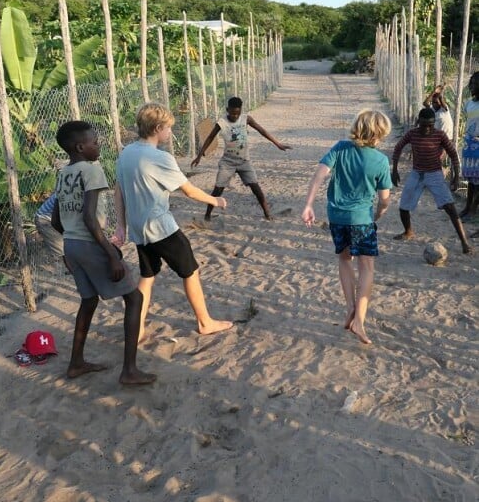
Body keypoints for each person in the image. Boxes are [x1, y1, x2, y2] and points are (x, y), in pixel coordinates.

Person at [114, 102, 234, 343]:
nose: (170, 132)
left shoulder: (126, 153)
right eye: (168, 128)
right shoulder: (160, 158)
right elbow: (189, 191)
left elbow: (119, 190)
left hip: (140, 230)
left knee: (147, 276)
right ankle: (205, 322)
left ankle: (136, 330)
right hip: (161, 228)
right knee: (190, 271)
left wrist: (122, 225)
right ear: (158, 128)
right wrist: (215, 200)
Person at [51, 120, 156, 385]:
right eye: (94, 142)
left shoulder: (64, 174)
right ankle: (129, 370)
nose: (99, 146)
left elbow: (55, 220)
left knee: (89, 301)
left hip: (72, 245)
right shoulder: (92, 170)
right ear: (80, 147)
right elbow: (89, 216)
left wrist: (72, 243)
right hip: (88, 243)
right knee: (133, 298)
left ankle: (76, 363)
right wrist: (110, 253)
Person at [302, 109, 392, 345]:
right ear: (379, 133)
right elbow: (384, 199)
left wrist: (309, 205)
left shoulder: (340, 147)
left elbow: (319, 175)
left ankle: (350, 307)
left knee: (344, 260)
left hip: (337, 217)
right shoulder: (381, 161)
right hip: (362, 219)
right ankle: (359, 320)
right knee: (367, 267)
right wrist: (379, 213)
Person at [191, 96, 292, 221]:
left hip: (244, 161)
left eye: (237, 113)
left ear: (241, 111)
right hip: (228, 162)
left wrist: (277, 144)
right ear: (227, 109)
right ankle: (207, 215)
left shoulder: (246, 119)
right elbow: (210, 137)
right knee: (218, 189)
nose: (235, 116)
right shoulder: (222, 122)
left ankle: (267, 214)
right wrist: (199, 156)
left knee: (256, 189)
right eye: (232, 113)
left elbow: (262, 130)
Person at [392, 107, 472, 254]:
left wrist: (455, 176)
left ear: (434, 123)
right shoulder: (412, 134)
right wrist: (394, 170)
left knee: (450, 208)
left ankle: (464, 242)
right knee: (403, 206)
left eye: (430, 125)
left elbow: (453, 155)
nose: (427, 128)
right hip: (417, 174)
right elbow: (398, 148)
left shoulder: (440, 135)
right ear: (418, 122)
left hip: (435, 174)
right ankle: (408, 231)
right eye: (424, 125)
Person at [460, 71, 479, 223]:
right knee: (471, 179)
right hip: (469, 144)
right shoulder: (469, 104)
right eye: (471, 84)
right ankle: (467, 206)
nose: (471, 86)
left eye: (474, 84)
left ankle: (473, 209)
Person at [34, 192, 70, 271]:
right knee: (66, 250)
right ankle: (78, 275)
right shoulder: (67, 193)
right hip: (44, 219)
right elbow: (55, 221)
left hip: (56, 218)